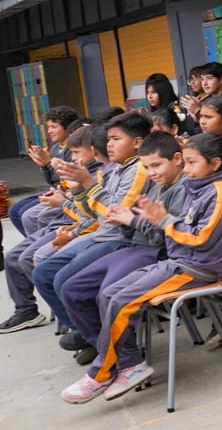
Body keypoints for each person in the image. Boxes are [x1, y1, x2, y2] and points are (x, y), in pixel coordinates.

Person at [60, 133, 222, 404]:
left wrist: (164, 220)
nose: (188, 170)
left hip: (196, 269)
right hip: (176, 264)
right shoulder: (196, 187)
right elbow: (178, 229)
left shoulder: (220, 191)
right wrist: (153, 218)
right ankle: (130, 363)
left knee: (122, 301)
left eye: (192, 163)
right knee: (111, 292)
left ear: (214, 164)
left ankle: (102, 372)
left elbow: (201, 237)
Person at [57, 132, 190, 362]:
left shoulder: (183, 189)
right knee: (71, 288)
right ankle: (104, 346)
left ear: (178, 159)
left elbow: (166, 235)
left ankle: (125, 357)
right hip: (134, 246)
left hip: (158, 254)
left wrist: (132, 221)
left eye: (157, 165)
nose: (153, 173)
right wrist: (124, 220)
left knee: (107, 294)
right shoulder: (158, 187)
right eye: (148, 168)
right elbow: (138, 224)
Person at [32, 111, 151, 360]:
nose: (108, 145)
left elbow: (115, 213)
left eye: (116, 139)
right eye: (108, 139)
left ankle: (107, 347)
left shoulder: (138, 169)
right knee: (44, 272)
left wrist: (86, 185)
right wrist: (77, 190)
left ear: (137, 142)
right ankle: (89, 336)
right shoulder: (117, 168)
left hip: (120, 239)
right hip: (103, 235)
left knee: (67, 281)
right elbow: (94, 212)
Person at [0, 125, 101, 334]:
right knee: (13, 257)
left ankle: (77, 325)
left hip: (81, 227)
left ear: (94, 150)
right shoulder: (74, 165)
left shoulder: (96, 174)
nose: (72, 158)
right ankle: (27, 311)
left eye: (76, 152)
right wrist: (47, 168)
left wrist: (64, 203)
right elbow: (60, 189)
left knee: (34, 258)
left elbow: (94, 216)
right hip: (66, 222)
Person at [8, 105, 80, 239]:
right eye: (48, 127)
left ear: (67, 128)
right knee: (14, 210)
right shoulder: (55, 148)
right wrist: (44, 166)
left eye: (54, 127)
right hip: (55, 188)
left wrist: (48, 163)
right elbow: (51, 180)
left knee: (28, 214)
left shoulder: (73, 150)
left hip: (67, 193)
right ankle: (31, 240)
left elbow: (66, 181)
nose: (49, 131)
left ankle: (39, 241)